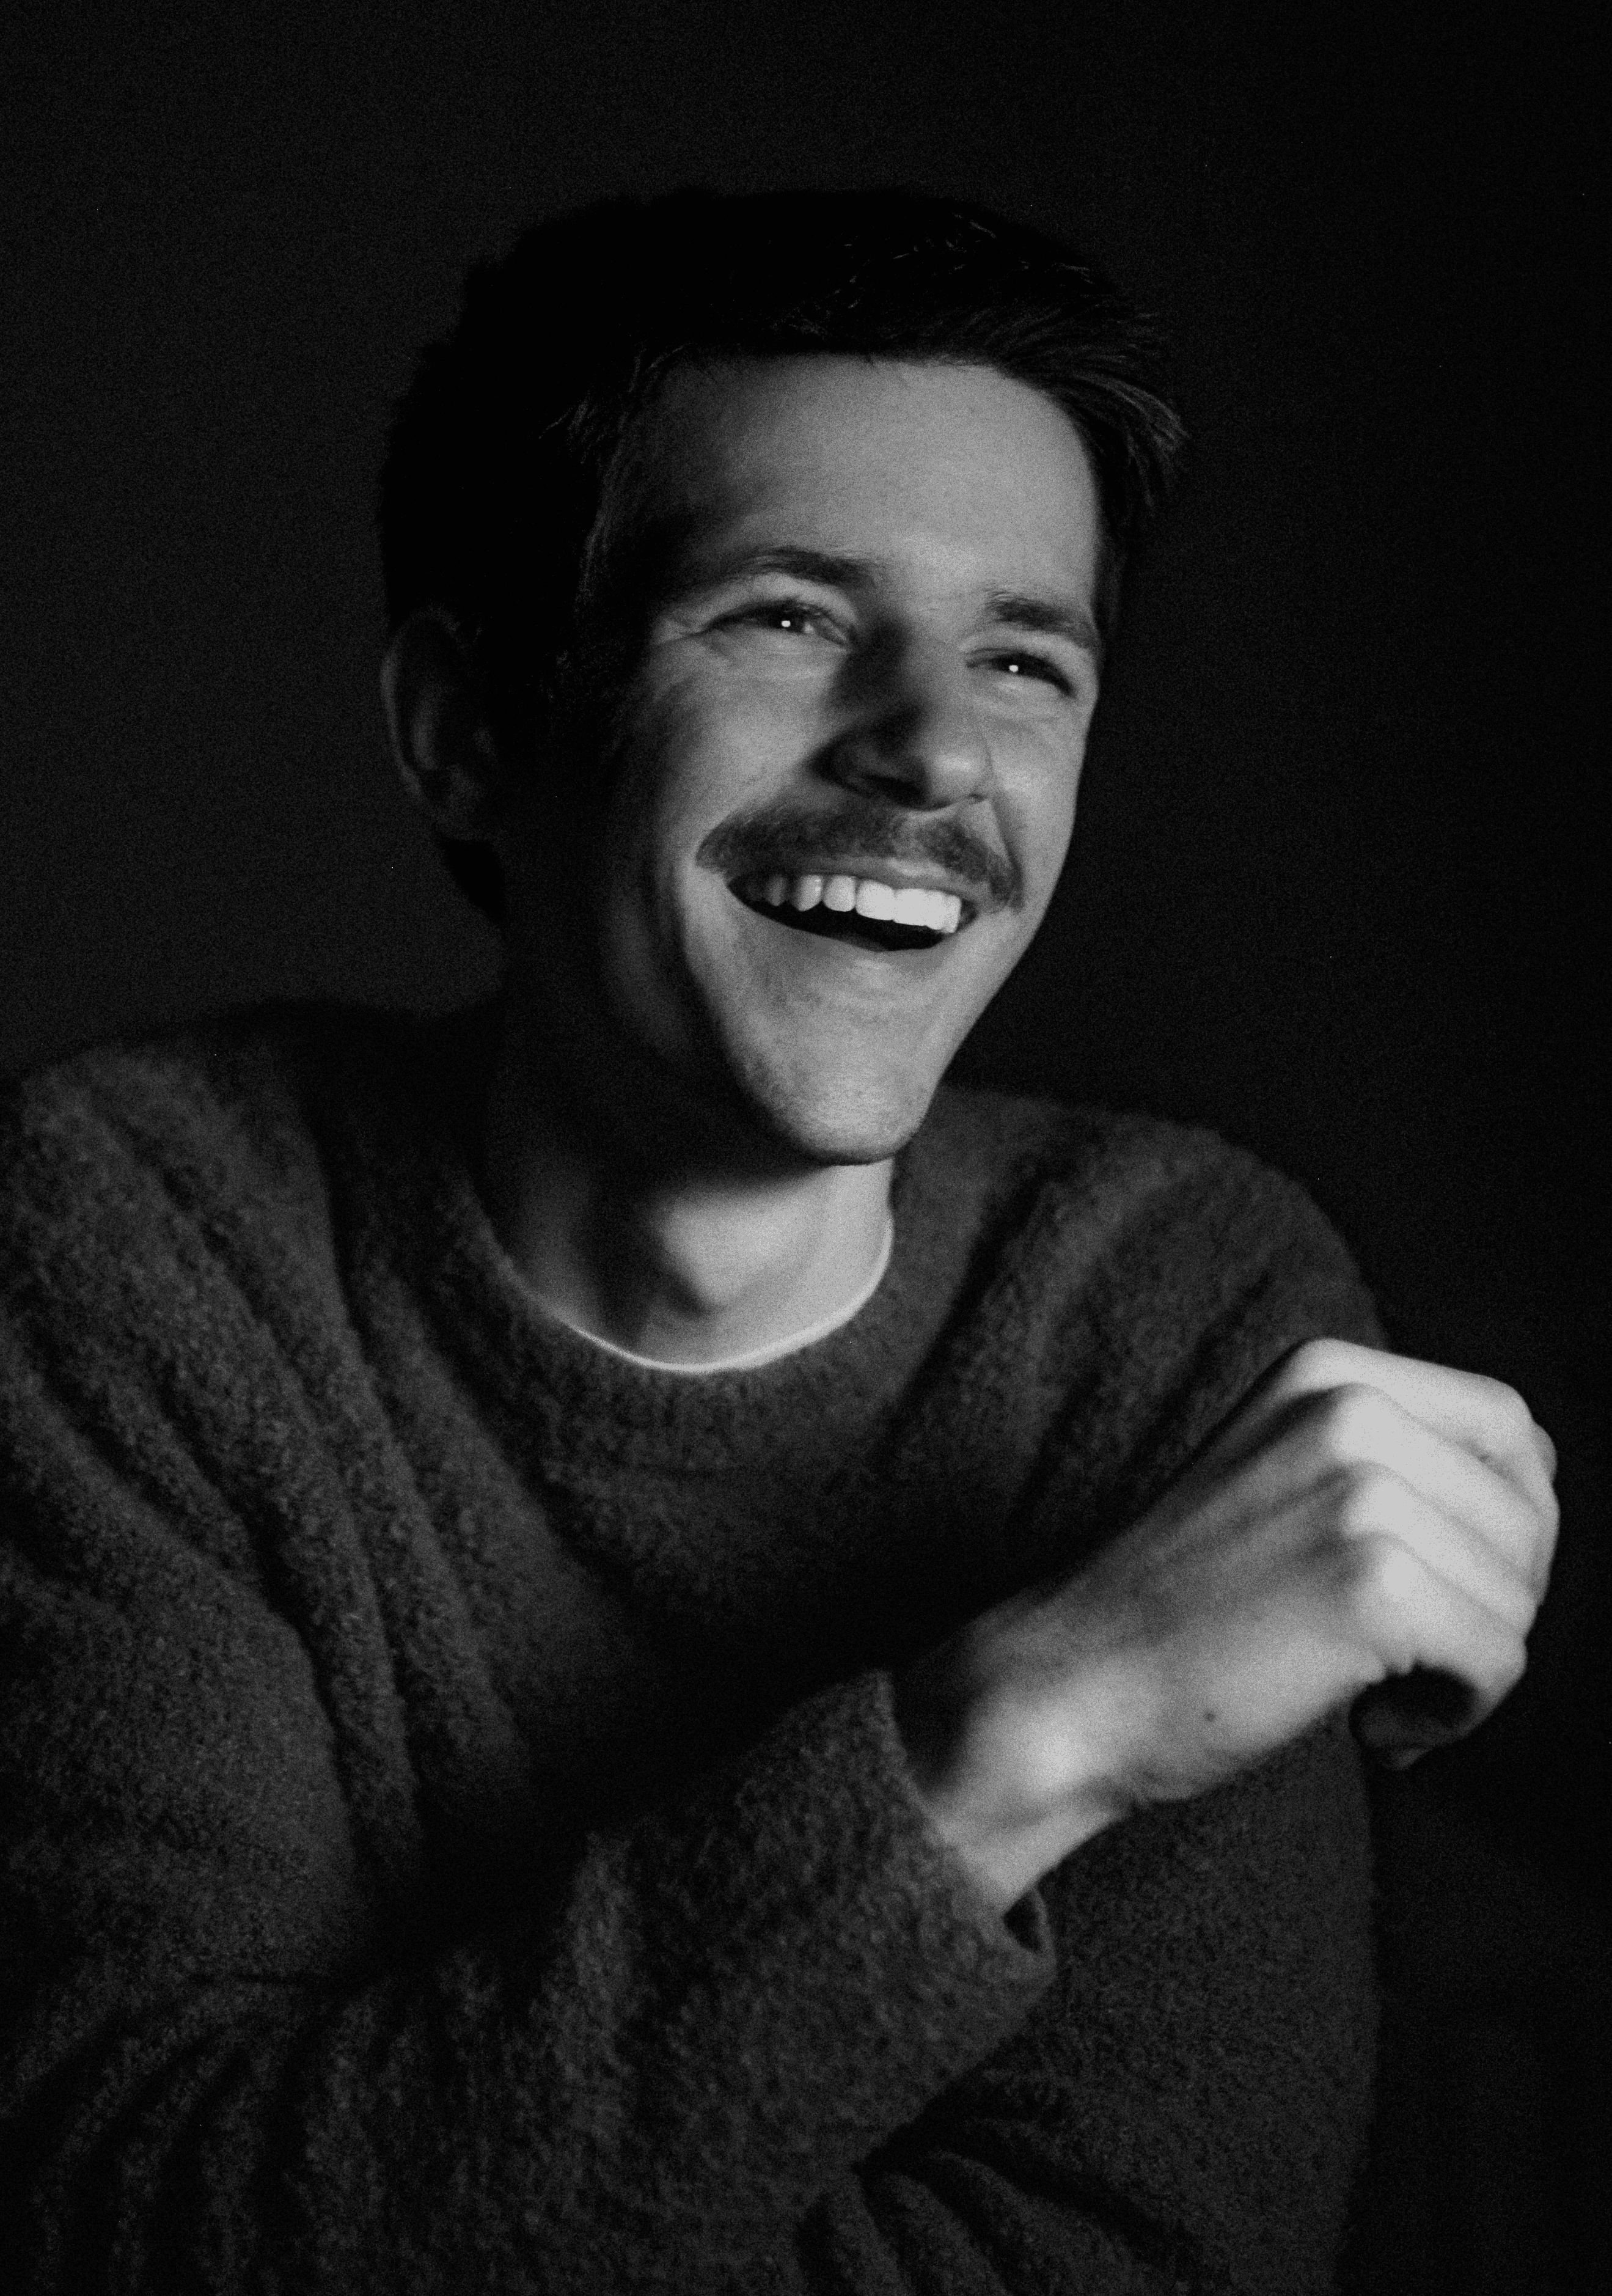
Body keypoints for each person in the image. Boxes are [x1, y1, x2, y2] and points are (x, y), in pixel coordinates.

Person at [0, 189, 1556, 2294]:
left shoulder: (1176, 1312)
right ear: (465, 728)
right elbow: (147, 2224)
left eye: (1024, 656)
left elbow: (1131, 2260)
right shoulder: (125, 1241)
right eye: (790, 617)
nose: (934, 750)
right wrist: (1021, 1732)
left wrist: (412, 2166)